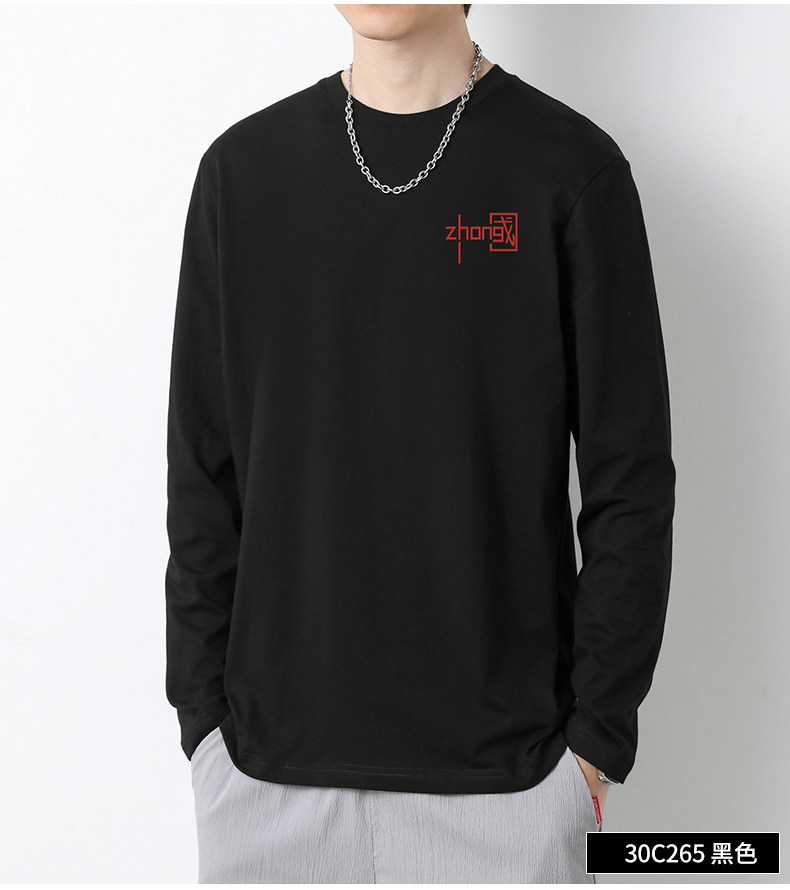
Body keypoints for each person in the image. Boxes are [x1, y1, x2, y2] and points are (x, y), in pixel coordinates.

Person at [165, 3, 676, 883]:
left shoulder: (569, 171)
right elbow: (203, 476)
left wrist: (595, 743)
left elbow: (629, 481)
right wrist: (205, 726)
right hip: (264, 786)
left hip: (509, 794)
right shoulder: (242, 176)